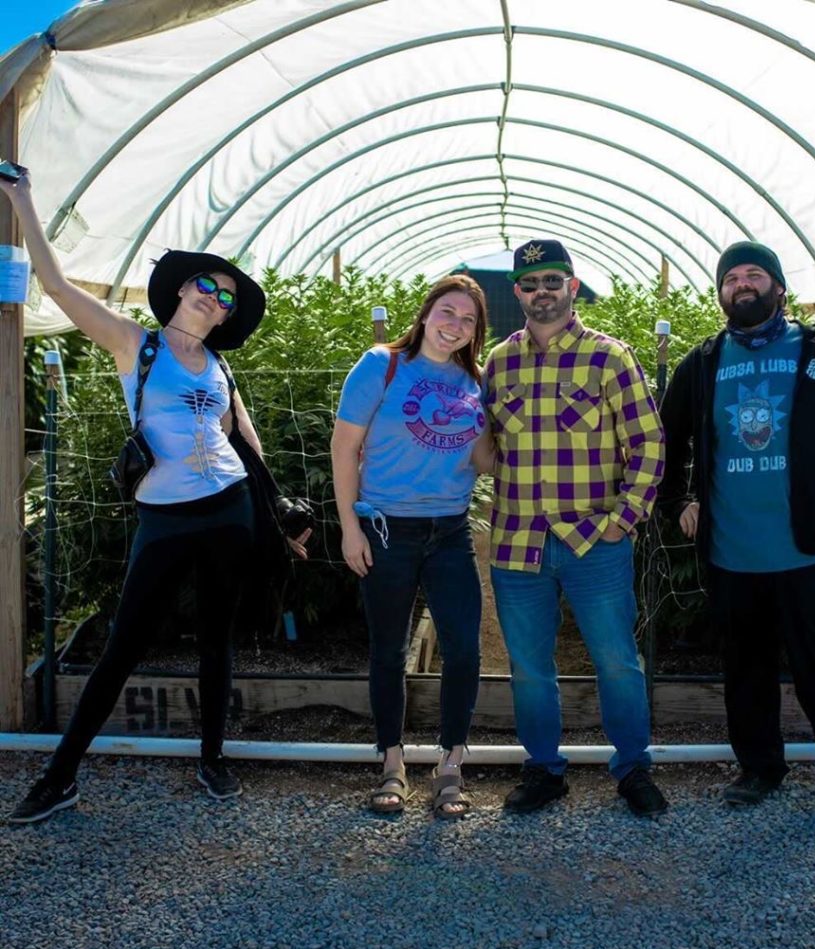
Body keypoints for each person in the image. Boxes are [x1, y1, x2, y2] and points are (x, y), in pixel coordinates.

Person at [3, 170, 310, 825]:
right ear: (177, 290)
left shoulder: (220, 367)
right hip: (165, 521)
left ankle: (212, 759)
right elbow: (55, 287)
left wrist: (277, 516)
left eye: (225, 297)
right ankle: (60, 776)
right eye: (207, 286)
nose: (215, 300)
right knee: (123, 646)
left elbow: (246, 443)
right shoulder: (135, 347)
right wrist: (22, 200)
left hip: (229, 512)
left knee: (217, 643)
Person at [658, 240, 815, 830]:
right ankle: (760, 768)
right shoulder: (703, 361)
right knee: (746, 669)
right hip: (732, 552)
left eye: (754, 275)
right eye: (732, 277)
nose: (743, 284)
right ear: (720, 294)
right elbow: (667, 440)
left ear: (778, 288)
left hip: (808, 547)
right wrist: (677, 501)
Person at [483, 239, 668, 818]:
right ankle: (543, 769)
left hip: (595, 542)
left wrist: (624, 520)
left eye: (553, 281)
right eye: (531, 283)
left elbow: (649, 443)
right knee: (530, 667)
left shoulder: (609, 357)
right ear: (518, 292)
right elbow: (482, 444)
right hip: (517, 542)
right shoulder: (499, 362)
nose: (542, 292)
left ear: (573, 286)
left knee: (617, 660)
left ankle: (633, 767)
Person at [332, 275, 492, 819]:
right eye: (448, 312)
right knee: (389, 651)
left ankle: (451, 765)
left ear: (477, 331)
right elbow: (344, 446)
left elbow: (481, 457)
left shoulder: (476, 381)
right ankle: (392, 764)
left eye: (468, 320)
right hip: (385, 530)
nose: (456, 326)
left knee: (465, 650)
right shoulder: (382, 365)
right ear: (426, 314)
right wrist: (349, 527)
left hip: (449, 530)